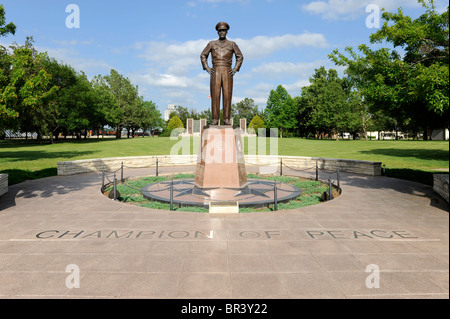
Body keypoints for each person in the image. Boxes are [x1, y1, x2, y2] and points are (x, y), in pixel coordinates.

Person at [200, 22, 244, 125]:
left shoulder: (232, 44)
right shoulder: (211, 44)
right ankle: (215, 119)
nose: (222, 32)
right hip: (215, 71)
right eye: (220, 31)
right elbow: (203, 55)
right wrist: (206, 67)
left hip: (227, 72)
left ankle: (226, 119)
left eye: (223, 30)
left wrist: (235, 69)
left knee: (227, 96)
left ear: (227, 31)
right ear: (217, 32)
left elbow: (240, 56)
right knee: (215, 96)